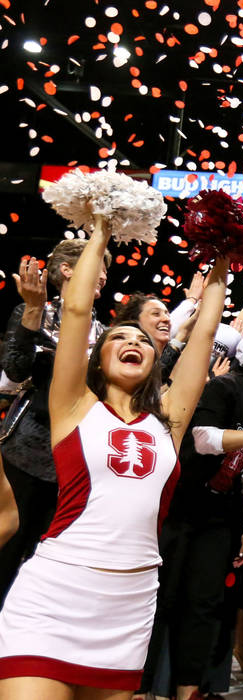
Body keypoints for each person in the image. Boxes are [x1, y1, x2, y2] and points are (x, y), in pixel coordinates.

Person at [0, 215, 228, 698]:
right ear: (96, 358)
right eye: (119, 338)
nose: (133, 342)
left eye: (143, 340)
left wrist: (225, 257)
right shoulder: (74, 406)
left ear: (153, 362)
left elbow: (204, 336)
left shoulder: (168, 419)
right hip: (56, 592)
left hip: (130, 605)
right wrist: (102, 226)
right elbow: (79, 308)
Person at [142, 326, 243, 700]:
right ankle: (141, 688)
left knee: (205, 603)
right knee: (161, 599)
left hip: (220, 513)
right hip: (179, 504)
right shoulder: (226, 387)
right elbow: (203, 438)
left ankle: (188, 690)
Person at [0, 242, 111, 605]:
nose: (105, 275)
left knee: (44, 564)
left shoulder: (107, 333)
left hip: (75, 462)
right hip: (25, 453)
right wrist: (33, 311)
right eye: (99, 266)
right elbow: (16, 369)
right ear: (67, 270)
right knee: (5, 548)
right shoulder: (34, 313)